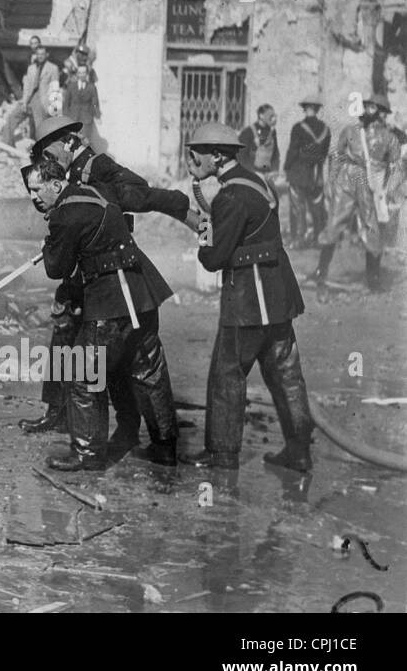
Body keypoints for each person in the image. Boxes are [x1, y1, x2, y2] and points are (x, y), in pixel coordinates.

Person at [18, 114, 194, 463]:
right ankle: (60, 413)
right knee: (75, 340)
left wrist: (184, 210)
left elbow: (141, 194)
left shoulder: (97, 167)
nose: (46, 161)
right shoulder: (65, 175)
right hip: (103, 275)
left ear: (69, 143)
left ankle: (103, 441)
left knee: (95, 362)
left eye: (49, 153)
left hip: (106, 275)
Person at [184, 122, 314, 472]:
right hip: (279, 295)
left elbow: (211, 259)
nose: (191, 157)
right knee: (286, 374)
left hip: (247, 300)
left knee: (227, 375)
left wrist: (203, 226)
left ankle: (222, 456)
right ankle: (300, 451)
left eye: (196, 150)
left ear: (217, 155)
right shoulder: (258, 180)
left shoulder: (228, 197)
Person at [313, 91, 403, 291]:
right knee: (335, 222)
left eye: (372, 107)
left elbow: (396, 166)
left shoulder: (390, 137)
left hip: (372, 184)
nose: (367, 110)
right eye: (366, 106)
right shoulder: (351, 131)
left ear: (382, 113)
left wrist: (390, 190)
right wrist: (330, 182)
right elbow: (336, 156)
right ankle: (321, 270)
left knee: (372, 228)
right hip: (348, 178)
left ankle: (373, 278)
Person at [283, 95, 331, 248]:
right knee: (317, 207)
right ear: (317, 109)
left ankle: (298, 240)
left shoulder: (298, 128)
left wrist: (286, 167)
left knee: (298, 207)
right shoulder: (326, 129)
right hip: (316, 173)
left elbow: (292, 151)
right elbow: (324, 153)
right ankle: (318, 238)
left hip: (298, 172)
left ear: (305, 109)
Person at [0, 37, 60, 145]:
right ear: (35, 55)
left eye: (42, 54)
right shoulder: (31, 68)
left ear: (47, 55)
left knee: (40, 129)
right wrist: (24, 101)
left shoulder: (53, 68)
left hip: (42, 101)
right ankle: (6, 143)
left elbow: (55, 88)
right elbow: (27, 86)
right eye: (38, 54)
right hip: (29, 99)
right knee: (13, 117)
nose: (40, 56)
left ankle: (43, 152)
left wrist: (54, 107)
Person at [61, 57, 101, 146]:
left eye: (84, 72)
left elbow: (95, 102)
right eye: (80, 72)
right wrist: (66, 116)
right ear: (77, 74)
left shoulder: (91, 87)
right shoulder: (71, 86)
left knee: (84, 141)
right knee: (71, 142)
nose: (82, 74)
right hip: (73, 118)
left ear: (86, 74)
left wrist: (97, 115)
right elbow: (66, 103)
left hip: (86, 118)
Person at [239, 104, 281, 181]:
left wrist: (275, 170)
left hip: (267, 174)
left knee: (275, 192)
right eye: (270, 116)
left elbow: (275, 153)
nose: (273, 119)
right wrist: (253, 172)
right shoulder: (248, 132)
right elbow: (241, 156)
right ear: (261, 116)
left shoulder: (272, 131)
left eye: (274, 116)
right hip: (250, 174)